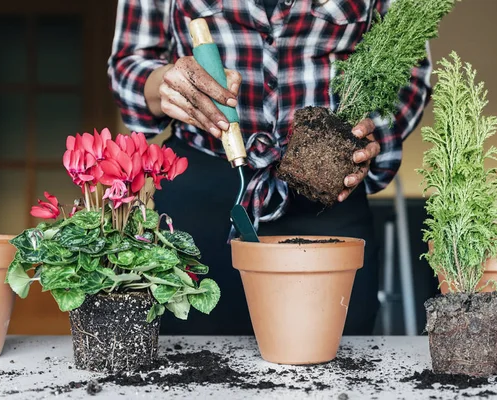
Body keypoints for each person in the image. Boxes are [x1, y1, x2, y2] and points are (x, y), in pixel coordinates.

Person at [107, 0, 432, 335]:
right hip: (202, 195)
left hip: (328, 193)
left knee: (335, 366)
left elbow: (412, 73)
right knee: (192, 365)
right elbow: (129, 65)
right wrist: (164, 84)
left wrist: (367, 134)